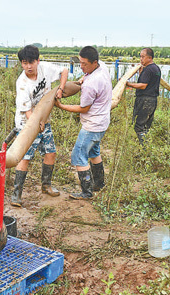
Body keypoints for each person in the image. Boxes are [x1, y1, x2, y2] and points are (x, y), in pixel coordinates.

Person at [11, 45, 68, 207]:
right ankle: (17, 194)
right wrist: (37, 124)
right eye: (24, 63)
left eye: (31, 62)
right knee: (25, 157)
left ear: (38, 60)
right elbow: (27, 111)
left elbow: (64, 71)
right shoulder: (22, 83)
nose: (28, 66)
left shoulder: (45, 69)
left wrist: (60, 89)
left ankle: (46, 185)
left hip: (45, 121)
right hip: (26, 124)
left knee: (51, 153)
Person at [55, 46, 112, 199]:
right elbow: (89, 75)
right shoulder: (102, 68)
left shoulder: (91, 83)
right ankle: (99, 184)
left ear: (94, 62)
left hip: (92, 126)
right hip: (102, 122)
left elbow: (84, 108)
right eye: (80, 62)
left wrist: (61, 106)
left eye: (85, 64)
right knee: (94, 152)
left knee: (79, 154)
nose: (81, 66)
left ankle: (86, 192)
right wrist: (83, 76)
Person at [126, 48, 161, 145]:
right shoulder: (156, 68)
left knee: (139, 126)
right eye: (140, 56)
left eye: (143, 56)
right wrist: (141, 73)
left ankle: (145, 148)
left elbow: (143, 85)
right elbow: (149, 83)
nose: (141, 59)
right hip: (152, 101)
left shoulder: (149, 69)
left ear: (149, 58)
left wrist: (128, 84)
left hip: (145, 100)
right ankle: (147, 147)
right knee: (146, 126)